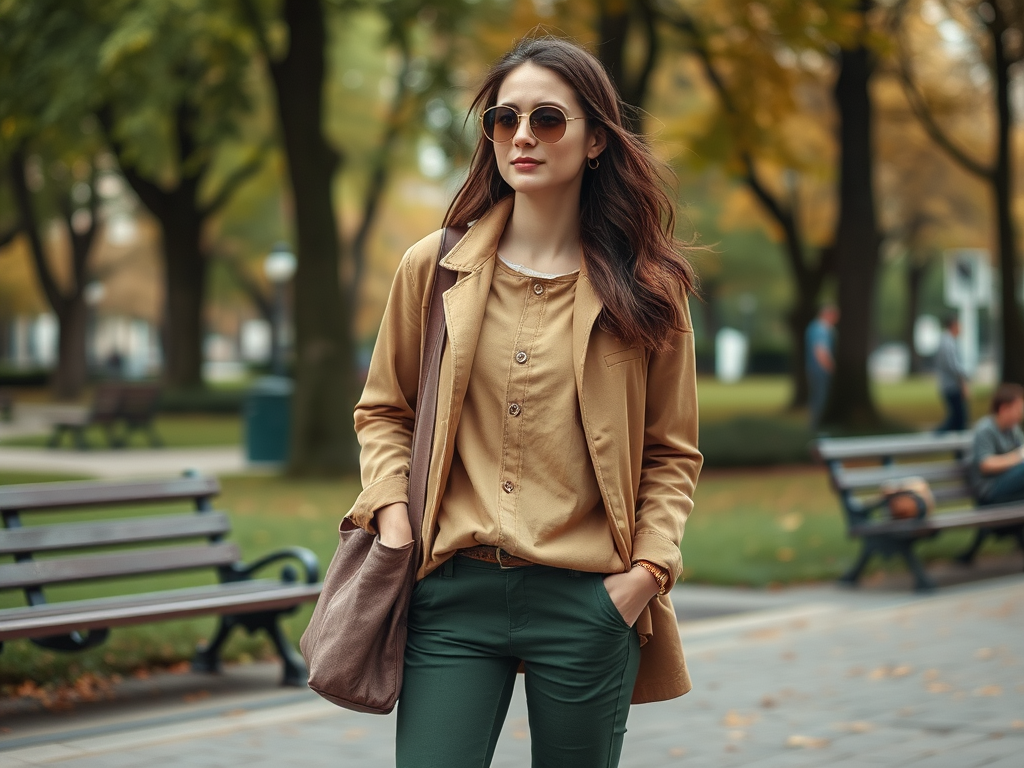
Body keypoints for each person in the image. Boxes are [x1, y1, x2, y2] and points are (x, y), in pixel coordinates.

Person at [344, 37, 702, 768]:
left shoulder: (649, 288)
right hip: (452, 595)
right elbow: (384, 411)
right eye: (505, 120)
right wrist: (394, 524)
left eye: (548, 119)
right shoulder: (434, 269)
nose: (524, 138)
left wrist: (643, 579)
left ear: (596, 138)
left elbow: (671, 452)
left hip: (589, 600)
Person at [968, 383, 1024, 506]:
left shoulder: (1013, 429)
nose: (1020, 415)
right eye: (1018, 409)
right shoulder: (985, 429)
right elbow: (986, 464)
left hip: (1008, 485)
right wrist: (1018, 456)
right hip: (989, 489)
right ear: (1004, 408)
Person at [935, 315, 970, 432]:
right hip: (952, 386)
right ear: (953, 326)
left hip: (949, 385)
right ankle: (934, 438)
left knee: (957, 419)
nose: (961, 329)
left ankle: (957, 448)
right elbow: (953, 366)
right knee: (959, 419)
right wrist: (963, 381)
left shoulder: (945, 341)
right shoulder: (948, 343)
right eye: (959, 326)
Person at [806, 305, 838, 428]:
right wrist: (832, 368)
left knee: (817, 398)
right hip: (821, 370)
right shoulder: (821, 329)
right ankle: (816, 427)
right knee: (820, 399)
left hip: (814, 369)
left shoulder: (814, 327)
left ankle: (816, 425)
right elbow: (821, 352)